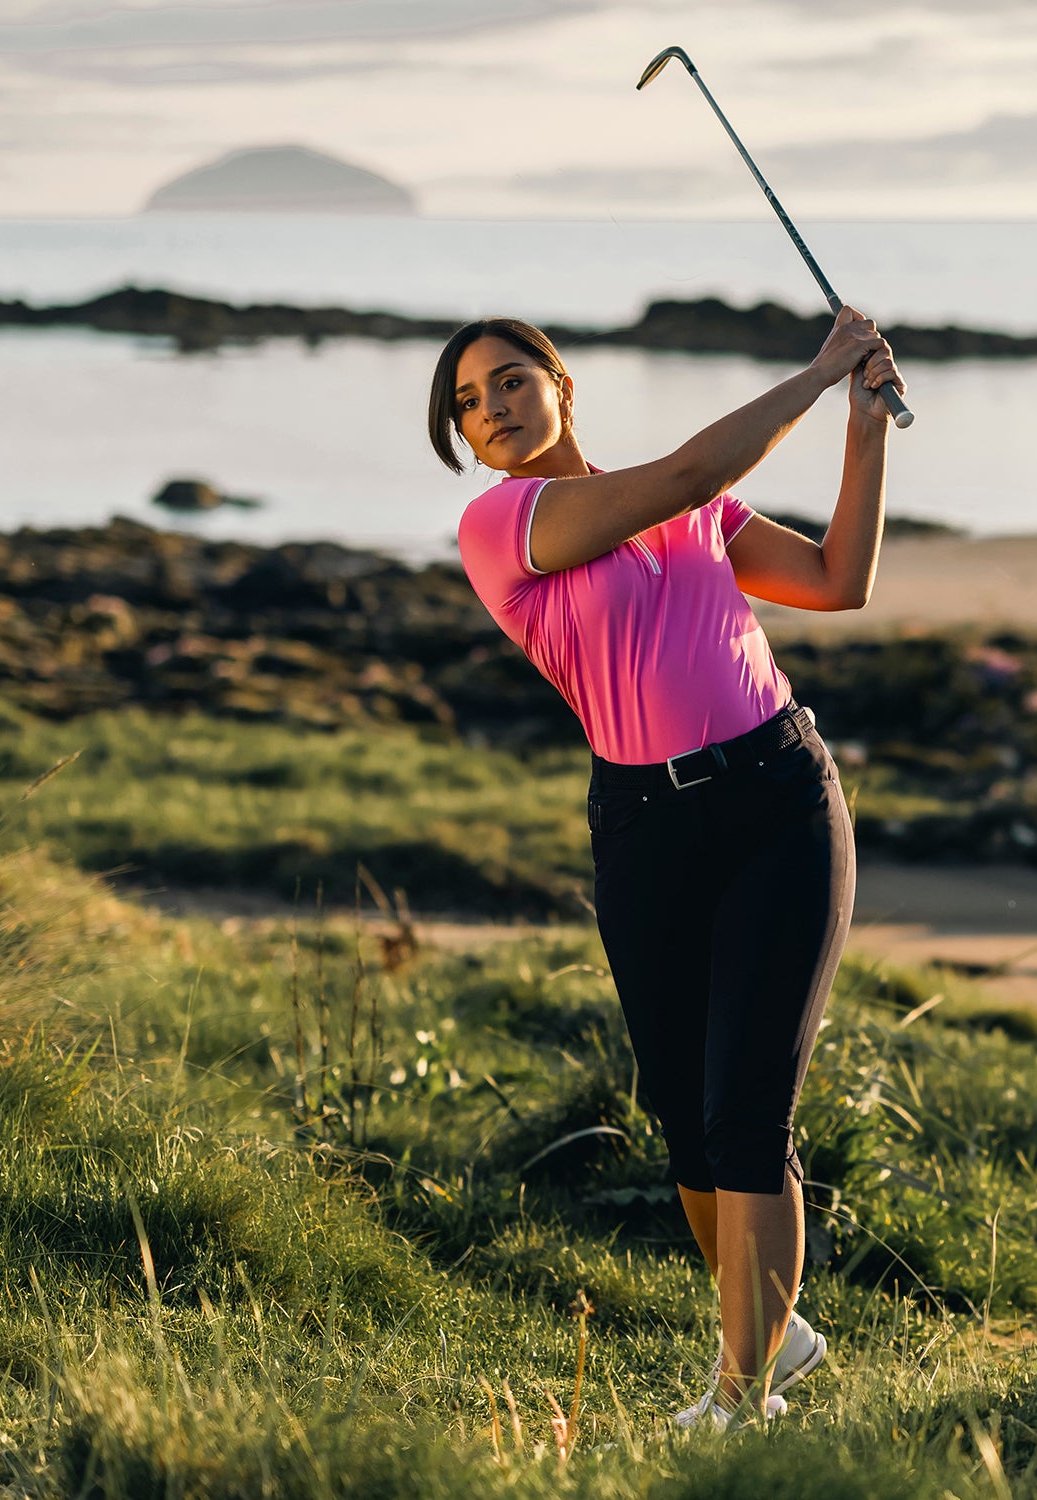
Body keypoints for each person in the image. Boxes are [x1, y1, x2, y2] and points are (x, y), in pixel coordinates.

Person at [431, 307, 900, 1428]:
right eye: (466, 404)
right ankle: (773, 1331)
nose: (489, 410)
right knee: (688, 1125)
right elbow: (686, 469)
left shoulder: (700, 515)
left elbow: (840, 581)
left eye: (506, 382)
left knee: (749, 1116)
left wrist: (864, 423)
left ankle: (741, 1397)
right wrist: (818, 367)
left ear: (559, 383)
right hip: (644, 827)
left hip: (781, 801)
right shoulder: (502, 526)